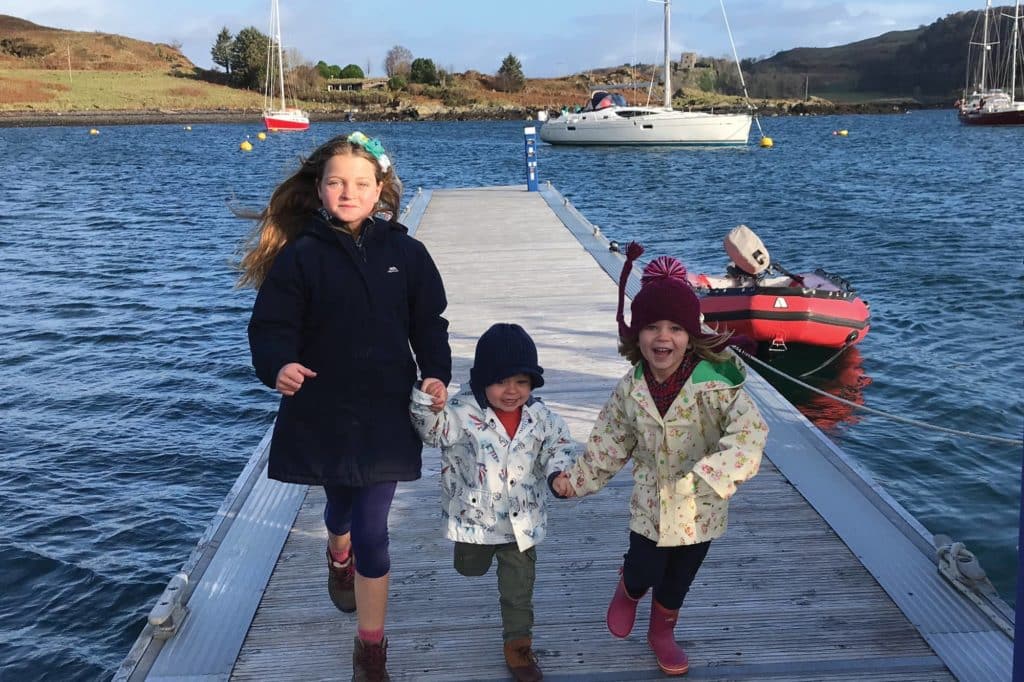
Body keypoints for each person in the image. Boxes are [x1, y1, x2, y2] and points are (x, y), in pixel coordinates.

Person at [240, 131, 451, 682]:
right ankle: (338, 553)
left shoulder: (407, 253)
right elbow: (270, 327)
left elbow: (429, 323)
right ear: (319, 188)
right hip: (324, 411)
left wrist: (435, 373)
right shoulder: (300, 256)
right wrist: (278, 365)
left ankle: (371, 648)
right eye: (336, 182)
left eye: (361, 183)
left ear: (380, 189)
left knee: (374, 528)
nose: (348, 191)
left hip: (385, 415)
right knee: (339, 510)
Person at [552, 242, 768, 677]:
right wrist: (574, 481)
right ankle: (628, 590)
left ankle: (661, 632)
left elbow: (750, 434)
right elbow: (607, 445)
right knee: (644, 566)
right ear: (637, 335)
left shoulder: (717, 386)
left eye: (675, 327)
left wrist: (713, 473)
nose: (663, 337)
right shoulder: (629, 391)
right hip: (651, 502)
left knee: (678, 578)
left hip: (702, 507)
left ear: (691, 335)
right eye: (651, 327)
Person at [409, 323, 576, 682]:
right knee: (470, 568)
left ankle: (518, 645)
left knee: (518, 588)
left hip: (522, 521)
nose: (512, 391)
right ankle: (470, 555)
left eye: (521, 381)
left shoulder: (542, 417)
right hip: (474, 518)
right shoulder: (461, 412)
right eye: (501, 382)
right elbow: (432, 432)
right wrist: (428, 402)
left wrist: (559, 474)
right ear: (483, 381)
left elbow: (559, 447)